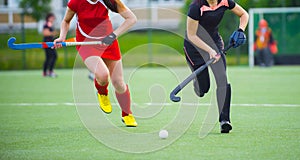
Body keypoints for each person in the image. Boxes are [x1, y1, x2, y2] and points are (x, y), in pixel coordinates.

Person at [54, 0, 138, 127]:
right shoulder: (76, 2)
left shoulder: (109, 1)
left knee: (119, 83)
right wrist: (62, 37)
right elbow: (66, 21)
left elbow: (131, 19)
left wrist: (113, 35)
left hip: (108, 41)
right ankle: (102, 92)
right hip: (87, 44)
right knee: (103, 75)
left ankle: (127, 114)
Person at [184, 0, 249, 133]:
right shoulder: (196, 7)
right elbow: (191, 35)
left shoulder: (225, 2)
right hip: (194, 48)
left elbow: (244, 14)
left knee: (222, 80)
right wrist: (209, 51)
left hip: (215, 44)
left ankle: (224, 120)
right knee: (204, 89)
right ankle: (199, 85)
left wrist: (240, 30)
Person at [43, 13, 58, 77]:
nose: (53, 19)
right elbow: (45, 33)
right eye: (52, 18)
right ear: (49, 18)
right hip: (47, 43)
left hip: (50, 43)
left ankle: (46, 72)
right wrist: (53, 33)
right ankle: (49, 71)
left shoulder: (50, 24)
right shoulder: (47, 24)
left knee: (49, 57)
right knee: (53, 56)